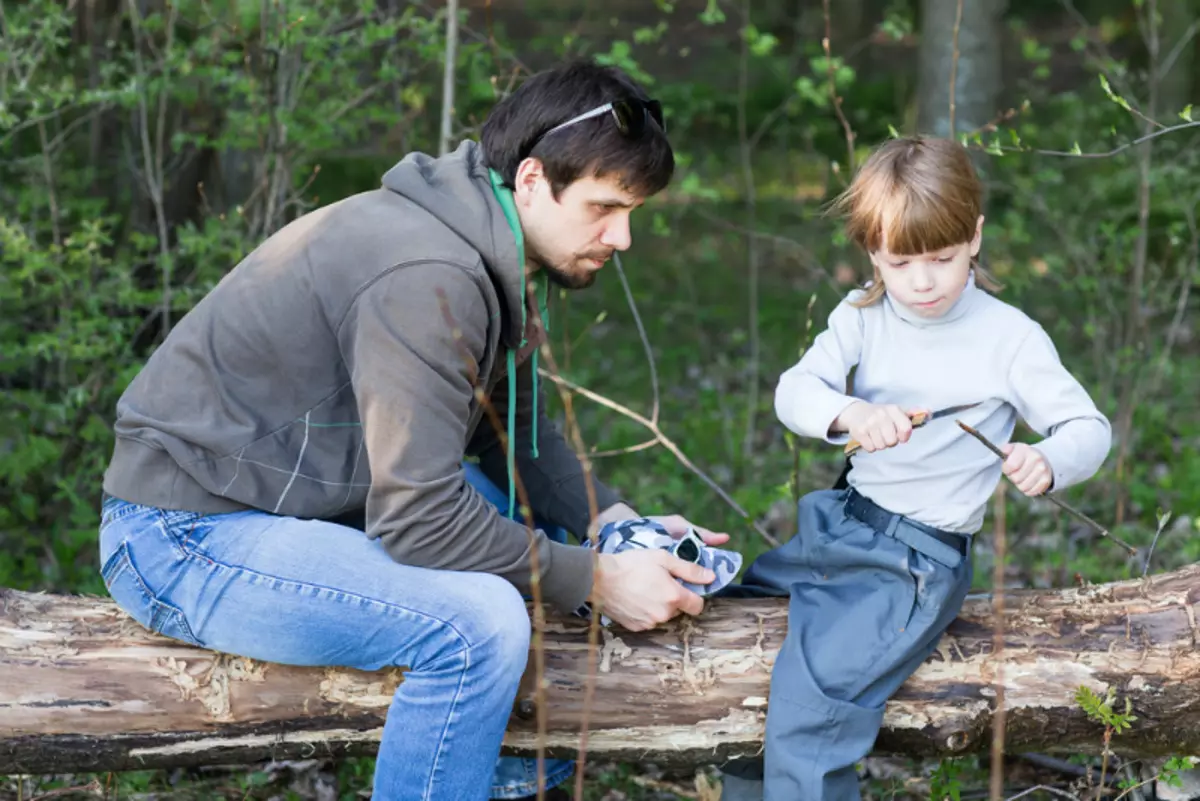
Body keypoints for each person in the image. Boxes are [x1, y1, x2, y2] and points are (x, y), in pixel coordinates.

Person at [96, 58, 729, 801]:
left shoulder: (480, 238)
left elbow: (505, 432)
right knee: (482, 622)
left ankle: (506, 781)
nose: (622, 237)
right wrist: (593, 578)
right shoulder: (430, 274)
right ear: (531, 180)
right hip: (183, 532)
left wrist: (614, 521)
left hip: (288, 499)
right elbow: (420, 518)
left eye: (633, 212)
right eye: (604, 206)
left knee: (501, 518)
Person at [719, 135, 1112, 801]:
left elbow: (1088, 428)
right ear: (874, 250)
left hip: (913, 564)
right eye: (902, 261)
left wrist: (1048, 457)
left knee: (814, 707)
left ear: (976, 238)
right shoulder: (862, 315)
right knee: (736, 615)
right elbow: (795, 390)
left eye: (943, 258)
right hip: (840, 526)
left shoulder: (1007, 336)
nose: (923, 281)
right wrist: (849, 414)